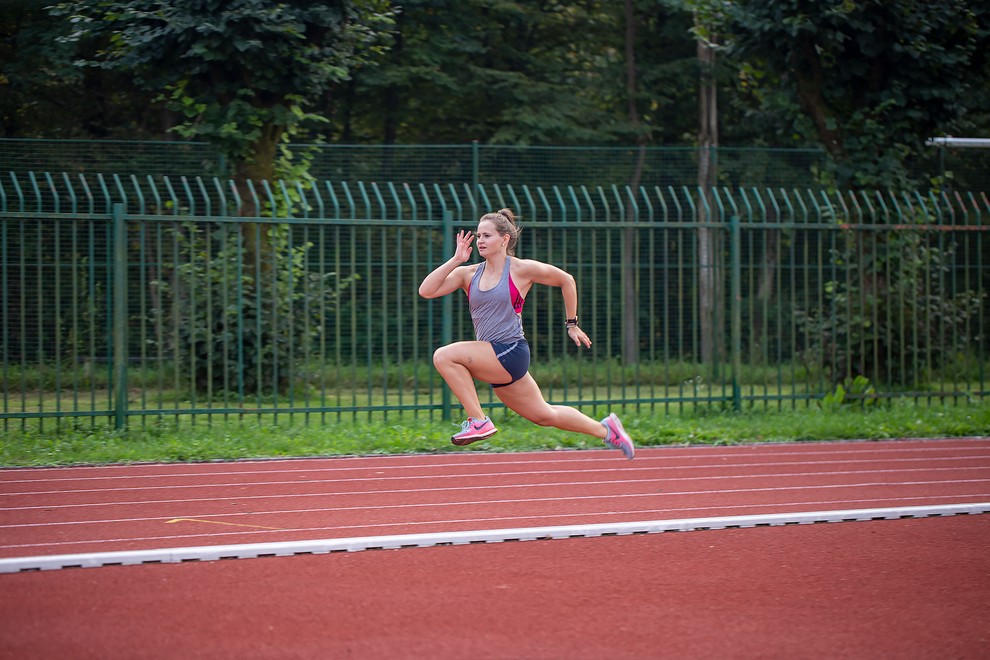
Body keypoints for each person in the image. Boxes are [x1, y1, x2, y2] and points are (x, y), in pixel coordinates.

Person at [418, 208, 635, 459]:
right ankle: (607, 430)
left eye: (486, 236)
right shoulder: (468, 273)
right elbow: (427, 290)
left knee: (444, 356)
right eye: (478, 236)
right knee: (544, 415)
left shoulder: (521, 269)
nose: (480, 241)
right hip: (492, 357)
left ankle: (478, 420)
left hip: (510, 351)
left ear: (504, 239)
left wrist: (572, 324)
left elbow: (567, 280)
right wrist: (456, 259)